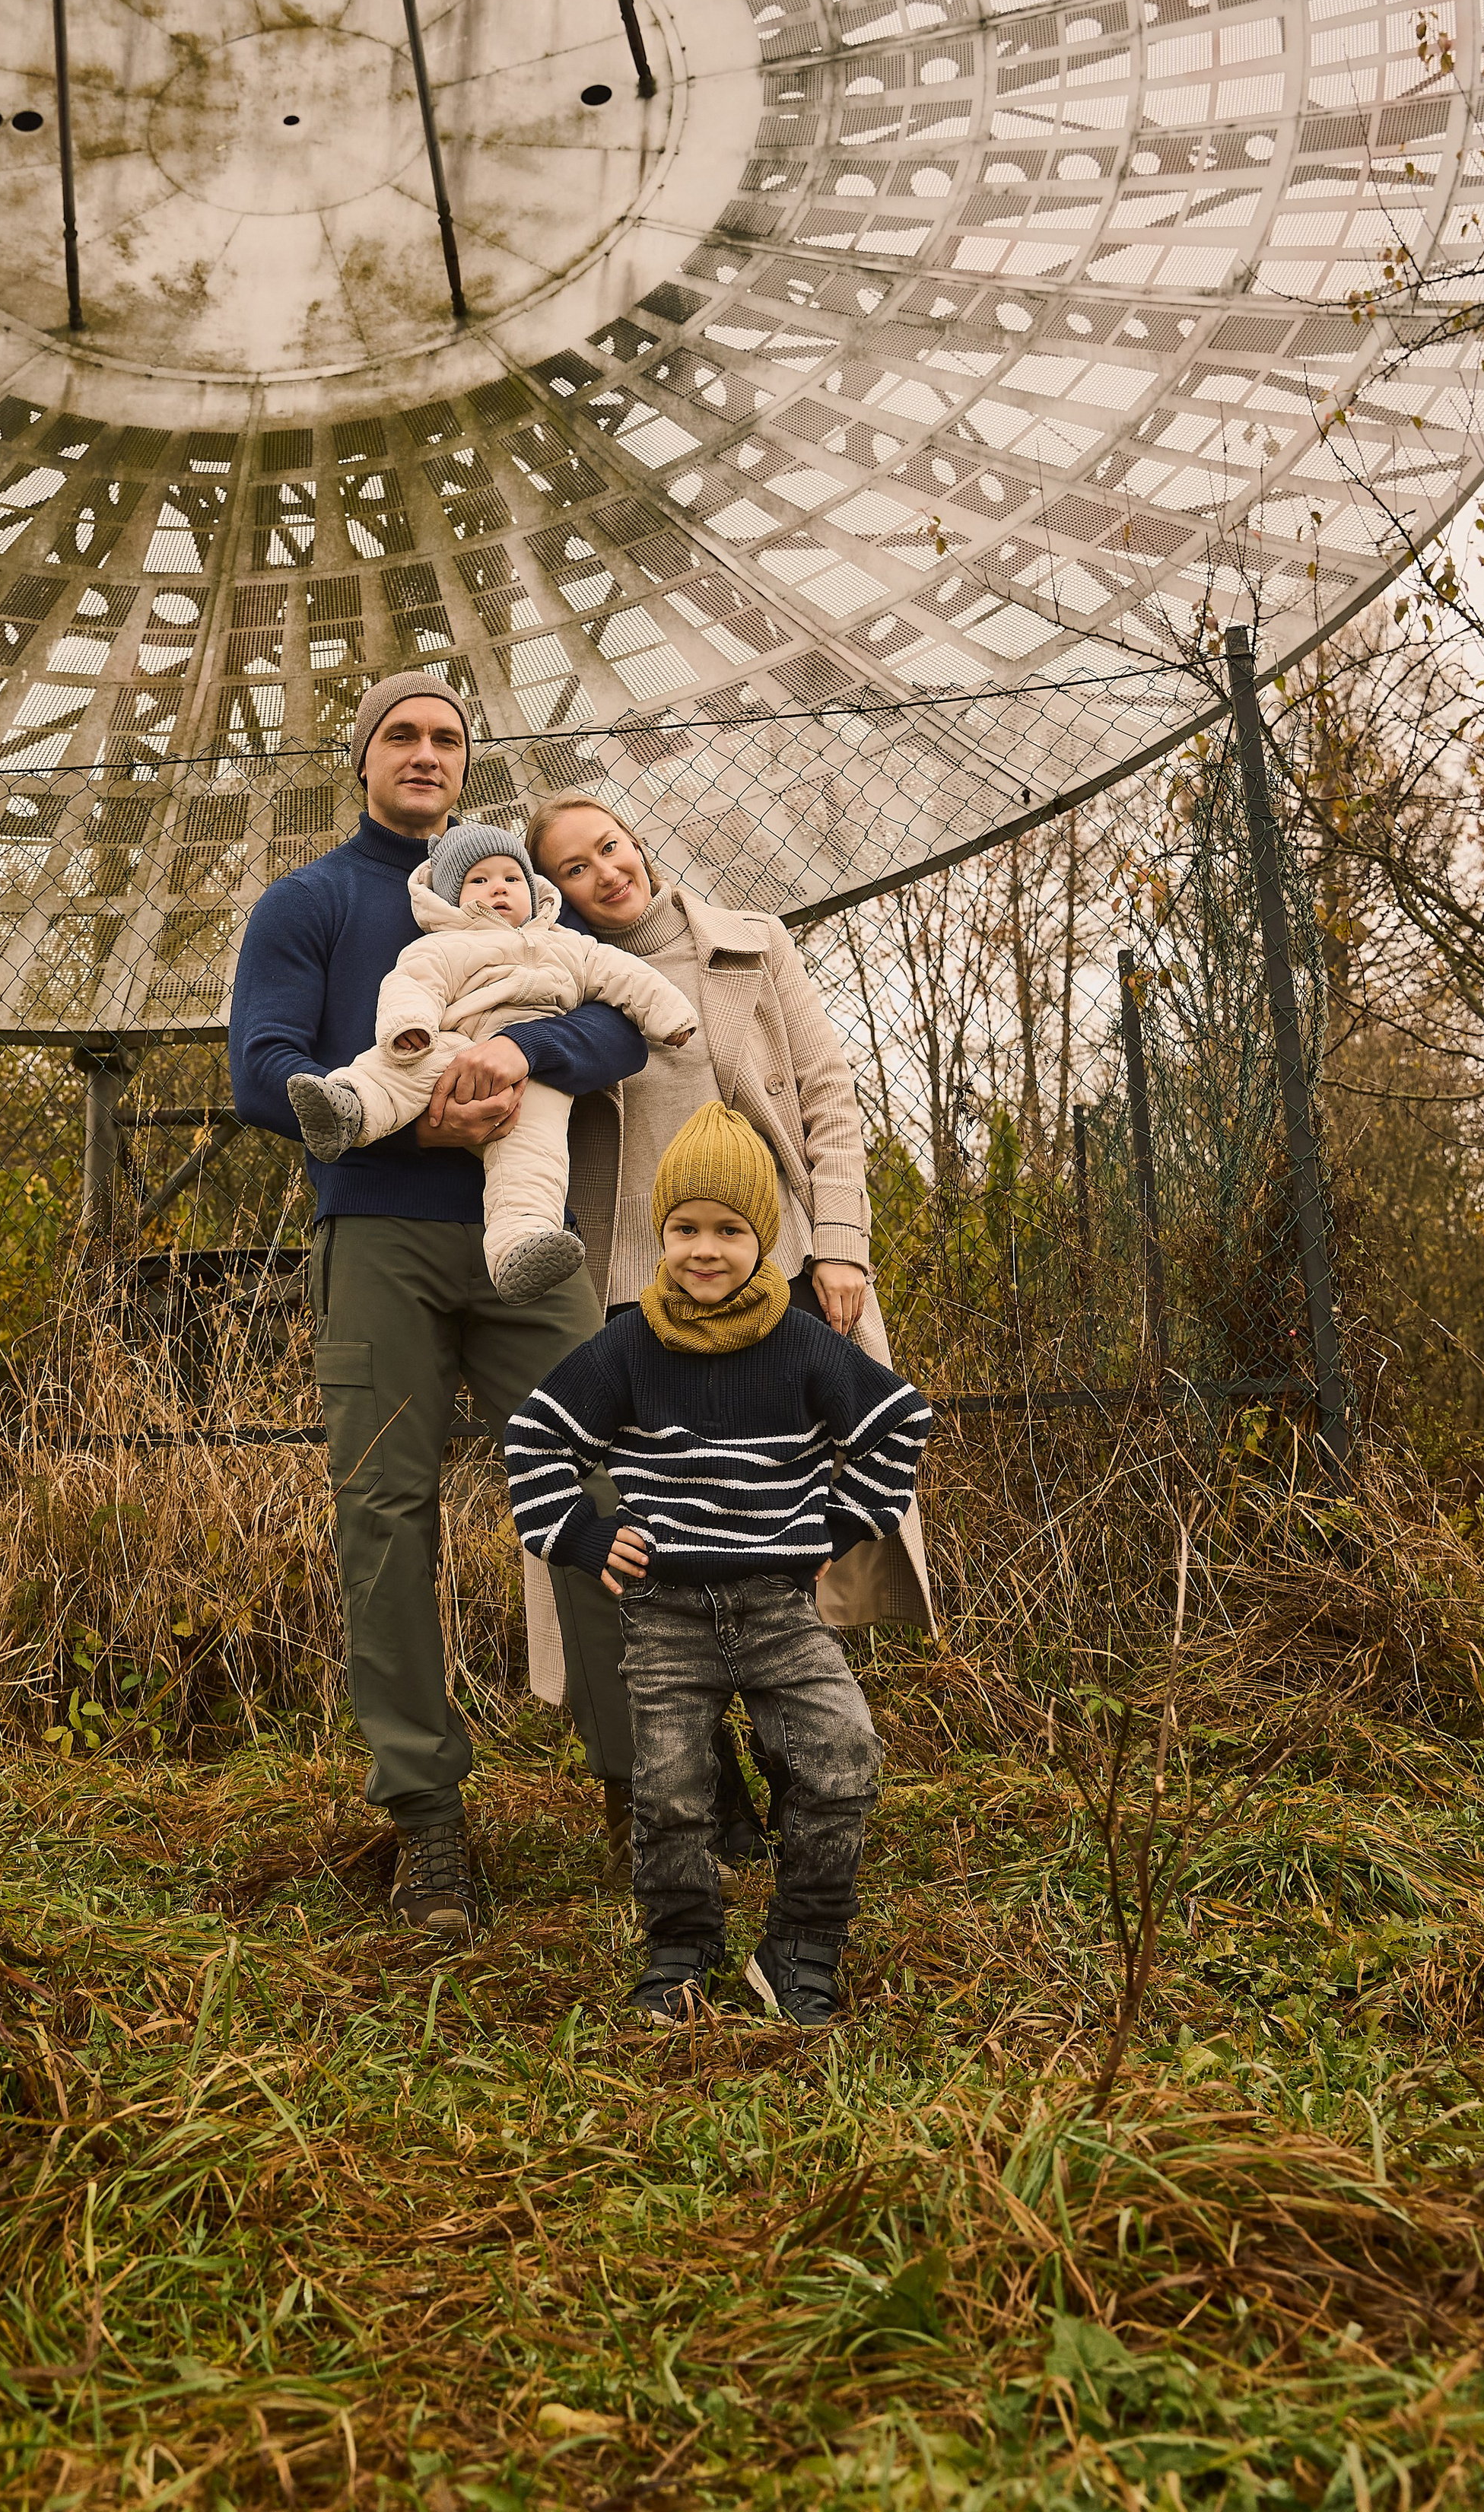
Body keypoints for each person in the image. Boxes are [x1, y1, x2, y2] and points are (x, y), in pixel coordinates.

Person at [227, 679, 650, 1944]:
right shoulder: (309, 904)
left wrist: (522, 1056)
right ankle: (427, 1822)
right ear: (361, 758)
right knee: (385, 1518)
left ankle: (647, 1792)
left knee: (599, 1485)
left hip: (526, 1239)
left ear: (468, 764)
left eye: (446, 739)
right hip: (380, 1236)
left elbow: (616, 1025)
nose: (425, 754)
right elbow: (261, 1068)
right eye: (401, 736)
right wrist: (412, 1117)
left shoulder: (518, 895)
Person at [523, 790, 934, 1879]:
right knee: (660, 1540)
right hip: (627, 1289)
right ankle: (701, 1783)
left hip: (779, 1266)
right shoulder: (552, 980)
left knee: (780, 1514)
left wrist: (839, 1241)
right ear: (552, 892)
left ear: (638, 844)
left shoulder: (751, 945)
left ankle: (800, 1755)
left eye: (610, 847)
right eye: (572, 868)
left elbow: (830, 1095)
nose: (604, 873)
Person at [505, 1104, 932, 2027]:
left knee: (842, 1757)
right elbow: (534, 1437)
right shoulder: (628, 1344)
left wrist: (837, 1525)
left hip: (781, 1607)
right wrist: (579, 1536)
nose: (706, 1250)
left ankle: (802, 1946)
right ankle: (679, 1950)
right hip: (665, 1610)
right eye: (686, 1228)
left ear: (763, 1237)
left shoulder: (802, 1340)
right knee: (667, 1790)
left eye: (730, 1230)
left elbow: (899, 1423)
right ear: (660, 1235)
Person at [286, 823, 698, 1305]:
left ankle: (522, 1243)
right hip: (452, 1045)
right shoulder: (443, 944)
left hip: (533, 1074)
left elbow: (628, 976)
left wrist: (671, 1016)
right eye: (478, 881)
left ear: (533, 888)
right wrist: (409, 1026)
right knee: (392, 1069)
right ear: (452, 897)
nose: (498, 888)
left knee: (534, 1151)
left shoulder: (570, 944)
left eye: (511, 878)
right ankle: (349, 1108)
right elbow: (412, 984)